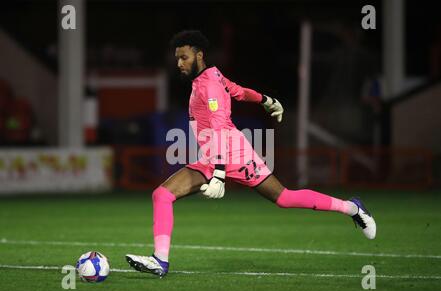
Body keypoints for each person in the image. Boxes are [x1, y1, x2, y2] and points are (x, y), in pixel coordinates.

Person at [126, 30, 376, 277]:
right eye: (177, 58)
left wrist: (220, 173)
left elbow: (220, 127)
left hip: (234, 155)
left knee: (284, 198)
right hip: (213, 157)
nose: (179, 63)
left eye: (184, 57)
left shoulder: (209, 86)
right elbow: (238, 90)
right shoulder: (212, 76)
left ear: (199, 55)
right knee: (162, 195)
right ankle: (160, 261)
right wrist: (266, 99)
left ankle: (352, 208)